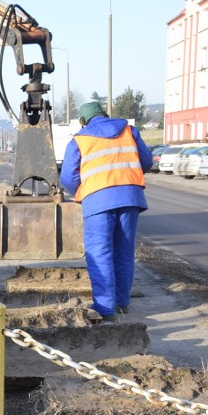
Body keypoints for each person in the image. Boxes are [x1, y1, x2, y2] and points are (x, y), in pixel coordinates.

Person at [59, 101, 153, 322]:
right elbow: (146, 161)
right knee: (124, 252)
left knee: (100, 254)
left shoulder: (80, 139)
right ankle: (121, 303)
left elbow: (67, 178)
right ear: (104, 114)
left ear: (83, 121)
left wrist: (83, 190)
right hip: (130, 199)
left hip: (97, 201)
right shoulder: (129, 131)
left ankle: (105, 308)